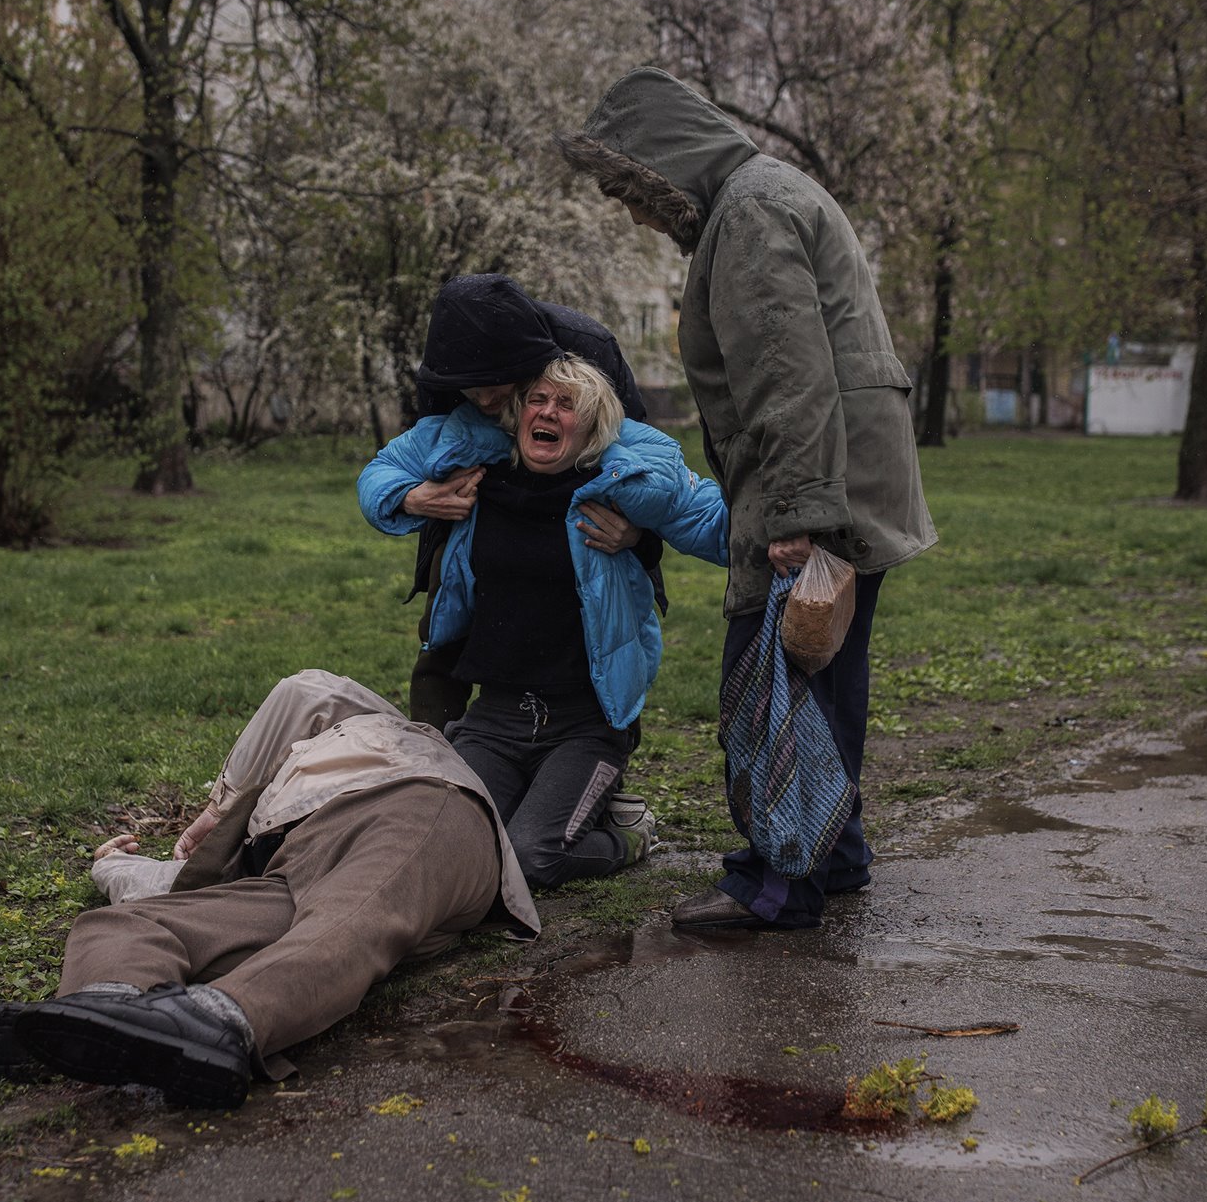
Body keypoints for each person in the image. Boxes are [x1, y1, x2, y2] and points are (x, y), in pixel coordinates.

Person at [558, 66, 937, 931]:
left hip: (821, 490)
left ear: (663, 163)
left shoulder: (750, 213)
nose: (633, 212)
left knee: (773, 682)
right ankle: (832, 856)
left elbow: (787, 377)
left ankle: (778, 881)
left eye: (630, 189)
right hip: (849, 482)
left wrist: (801, 516)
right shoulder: (765, 196)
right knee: (822, 673)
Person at [0, 670, 539, 1108]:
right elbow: (164, 888)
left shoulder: (398, 738)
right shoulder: (273, 816)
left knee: (352, 917)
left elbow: (307, 690)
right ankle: (100, 1013)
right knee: (122, 925)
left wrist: (215, 809)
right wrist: (111, 868)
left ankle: (222, 1020)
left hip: (417, 809)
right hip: (296, 862)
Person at [359, 357, 728, 888]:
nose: (548, 411)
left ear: (594, 424)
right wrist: (412, 496)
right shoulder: (484, 474)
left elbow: (714, 521)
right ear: (519, 410)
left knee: (531, 858)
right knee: (454, 849)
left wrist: (796, 526)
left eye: (567, 403)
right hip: (494, 720)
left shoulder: (619, 486)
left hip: (584, 726)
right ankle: (569, 807)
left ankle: (629, 836)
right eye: (538, 399)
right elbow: (381, 473)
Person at [400, 274, 660, 733]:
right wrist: (414, 497)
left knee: (600, 621)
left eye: (492, 384)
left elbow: (646, 468)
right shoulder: (448, 365)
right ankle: (430, 754)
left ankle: (604, 751)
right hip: (479, 500)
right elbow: (422, 454)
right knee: (445, 618)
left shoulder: (588, 347)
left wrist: (638, 534)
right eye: (469, 387)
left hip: (582, 507)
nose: (481, 398)